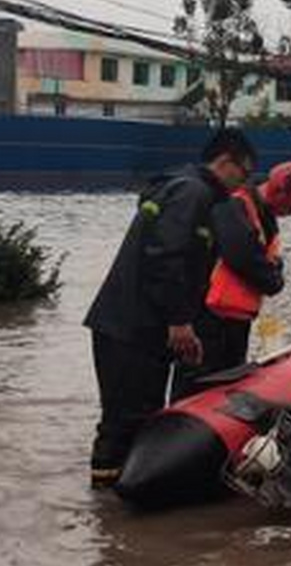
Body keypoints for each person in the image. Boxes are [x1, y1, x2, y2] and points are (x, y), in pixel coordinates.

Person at [83, 128, 256, 488]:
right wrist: (180, 322)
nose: (243, 184)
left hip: (137, 328)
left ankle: (115, 519)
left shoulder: (186, 189)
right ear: (225, 162)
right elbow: (165, 257)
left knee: (139, 416)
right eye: (244, 173)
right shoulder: (192, 192)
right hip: (131, 329)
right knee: (123, 422)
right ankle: (109, 514)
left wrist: (184, 324)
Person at [170, 161, 291, 399]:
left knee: (226, 384)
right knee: (196, 385)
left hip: (235, 321)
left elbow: (268, 262)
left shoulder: (263, 217)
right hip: (210, 319)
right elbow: (243, 257)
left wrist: (272, 271)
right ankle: (174, 428)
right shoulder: (235, 204)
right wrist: (274, 277)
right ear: (279, 191)